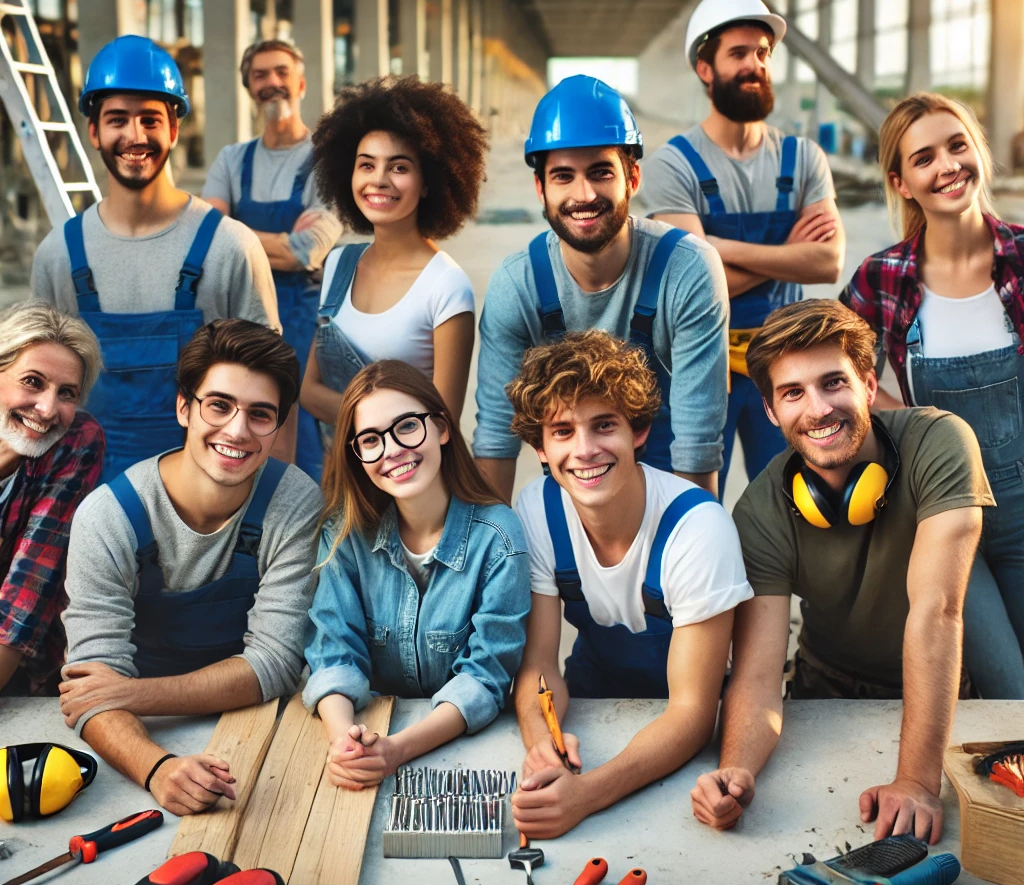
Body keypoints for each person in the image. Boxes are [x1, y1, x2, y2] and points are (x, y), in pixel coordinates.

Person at [691, 300, 990, 844]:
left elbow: (937, 611)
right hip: (822, 691)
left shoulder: (940, 441)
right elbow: (759, 676)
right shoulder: (759, 510)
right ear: (770, 411)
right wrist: (737, 771)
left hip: (936, 695)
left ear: (870, 387)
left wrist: (917, 780)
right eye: (793, 393)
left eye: (834, 382)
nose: (819, 409)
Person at [59, 320, 321, 816]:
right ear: (184, 408)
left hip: (256, 727)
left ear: (278, 427)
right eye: (219, 405)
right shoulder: (109, 517)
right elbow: (90, 689)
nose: (237, 431)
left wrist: (132, 692)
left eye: (260, 415)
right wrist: (157, 768)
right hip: (141, 734)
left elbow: (277, 662)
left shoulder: (294, 503)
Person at [506, 331, 751, 838]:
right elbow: (539, 665)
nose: (585, 450)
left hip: (687, 725)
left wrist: (585, 796)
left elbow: (692, 712)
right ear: (540, 448)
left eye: (604, 426)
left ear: (638, 431)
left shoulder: (697, 528)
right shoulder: (536, 510)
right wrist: (543, 743)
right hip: (594, 689)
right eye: (562, 431)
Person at [841, 93, 1024, 700]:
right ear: (901, 181)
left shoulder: (1022, 259)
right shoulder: (882, 277)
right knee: (1007, 690)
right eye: (925, 158)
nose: (947, 166)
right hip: (946, 516)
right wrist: (898, 415)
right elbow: (826, 368)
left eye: (957, 146)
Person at [32, 35, 276, 484]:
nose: (135, 136)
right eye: (117, 119)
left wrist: (271, 501)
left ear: (174, 129)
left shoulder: (230, 247)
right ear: (93, 131)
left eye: (150, 119)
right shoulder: (58, 257)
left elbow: (273, 392)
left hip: (211, 503)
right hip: (86, 503)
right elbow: (38, 400)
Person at [473, 75, 729, 503]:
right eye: (563, 177)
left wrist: (689, 550)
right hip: (570, 489)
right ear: (541, 188)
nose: (584, 194)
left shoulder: (687, 270)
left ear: (632, 178)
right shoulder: (517, 284)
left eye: (600, 172)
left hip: (665, 490)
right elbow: (496, 438)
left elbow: (696, 443)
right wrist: (490, 554)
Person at [642, 0, 845, 495]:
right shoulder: (672, 164)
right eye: (738, 54)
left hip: (785, 363)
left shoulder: (803, 159)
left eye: (762, 52)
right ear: (705, 68)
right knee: (688, 501)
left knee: (799, 499)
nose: (755, 64)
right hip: (697, 365)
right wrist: (788, 256)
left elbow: (827, 261)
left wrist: (712, 247)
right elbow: (688, 289)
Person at [304, 360, 529, 790]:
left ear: (442, 427)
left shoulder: (499, 538)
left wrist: (396, 751)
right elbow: (334, 654)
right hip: (369, 735)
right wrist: (345, 744)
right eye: (370, 439)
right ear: (357, 455)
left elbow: (485, 678)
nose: (391, 450)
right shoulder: (342, 535)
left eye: (406, 427)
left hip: (468, 757)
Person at [300, 77, 483, 447]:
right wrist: (394, 419)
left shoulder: (446, 285)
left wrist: (349, 414)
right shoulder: (338, 264)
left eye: (399, 168)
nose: (379, 180)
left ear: (429, 181)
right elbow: (306, 391)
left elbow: (442, 421)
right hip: (339, 484)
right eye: (366, 165)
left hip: (410, 485)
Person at [205, 40, 343, 481]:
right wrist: (279, 240)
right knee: (243, 426)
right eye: (260, 75)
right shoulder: (231, 159)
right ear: (249, 87)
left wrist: (235, 232)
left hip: (305, 324)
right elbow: (205, 240)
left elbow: (308, 251)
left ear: (300, 83)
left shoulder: (328, 161)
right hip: (240, 318)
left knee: (303, 434)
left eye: (281, 72)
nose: (272, 83)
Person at [0, 302, 104, 696]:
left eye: (66, 393)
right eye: (32, 381)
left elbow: (27, 590)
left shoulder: (76, 440)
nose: (46, 409)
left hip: (23, 671)